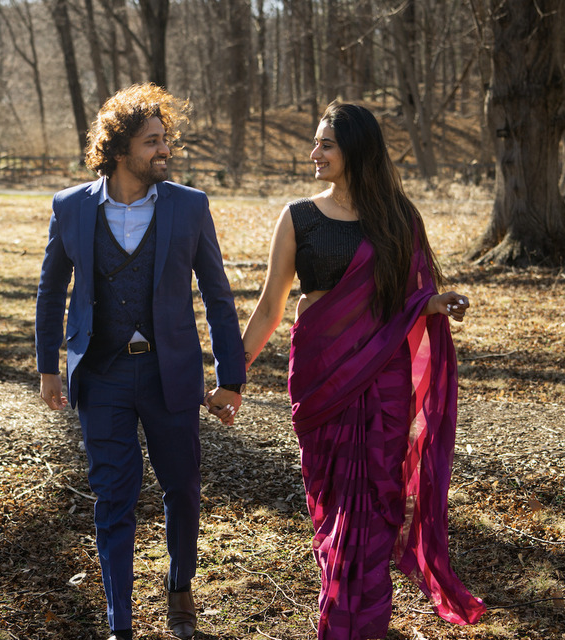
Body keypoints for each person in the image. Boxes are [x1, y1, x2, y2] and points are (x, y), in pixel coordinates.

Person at [239, 102, 486, 639]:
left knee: (376, 502)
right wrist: (232, 376)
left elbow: (406, 297)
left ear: (355, 150)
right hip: (320, 378)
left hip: (381, 378)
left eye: (325, 143)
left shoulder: (399, 217)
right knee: (331, 501)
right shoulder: (298, 217)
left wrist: (434, 303)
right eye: (316, 142)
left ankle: (359, 623)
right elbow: (270, 307)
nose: (314, 153)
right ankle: (343, 602)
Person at [35, 83, 246, 640]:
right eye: (152, 141)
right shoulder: (70, 207)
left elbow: (218, 297)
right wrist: (49, 367)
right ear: (119, 146)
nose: (164, 150)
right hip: (100, 375)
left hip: (168, 373)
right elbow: (51, 291)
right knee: (113, 497)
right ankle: (120, 623)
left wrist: (230, 378)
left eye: (165, 139)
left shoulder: (189, 206)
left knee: (183, 489)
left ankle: (179, 587)